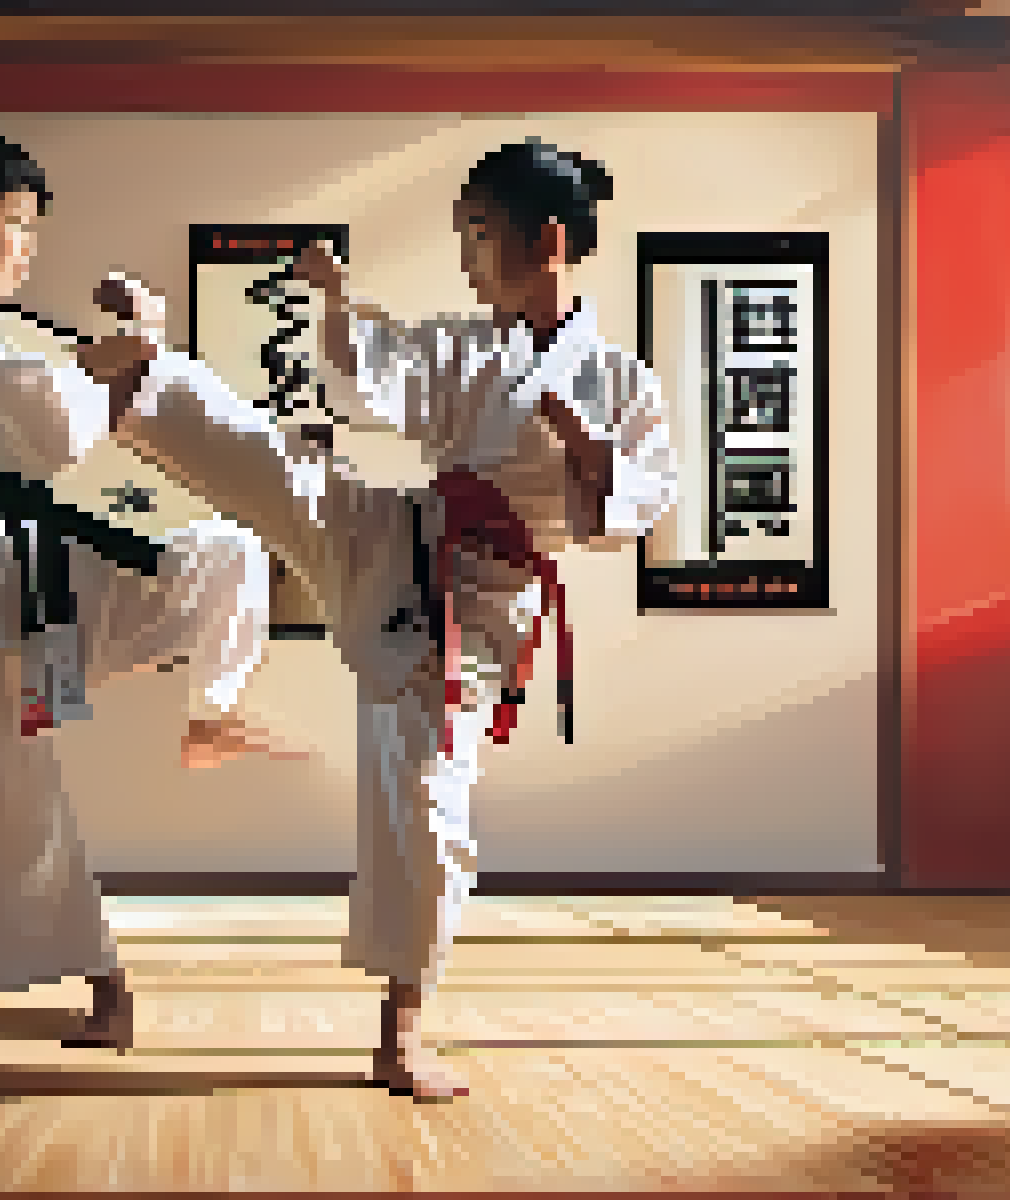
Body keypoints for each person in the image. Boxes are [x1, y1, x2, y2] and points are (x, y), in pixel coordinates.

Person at [93, 138, 679, 1097]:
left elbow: (633, 507)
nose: (466, 259)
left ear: (547, 241)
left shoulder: (621, 383)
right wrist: (336, 304)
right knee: (293, 480)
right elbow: (382, 372)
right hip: (410, 534)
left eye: (480, 236)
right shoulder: (469, 345)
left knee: (426, 804)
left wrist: (589, 450)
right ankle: (146, 371)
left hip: (480, 604)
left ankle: (399, 1033)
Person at [0, 127, 298, 1049]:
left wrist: (124, 356)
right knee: (11, 804)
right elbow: (49, 427)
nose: (27, 246)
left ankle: (212, 711)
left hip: (18, 572)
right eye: (14, 224)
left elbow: (52, 410)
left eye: (33, 228)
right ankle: (103, 982)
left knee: (223, 553)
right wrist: (113, 361)